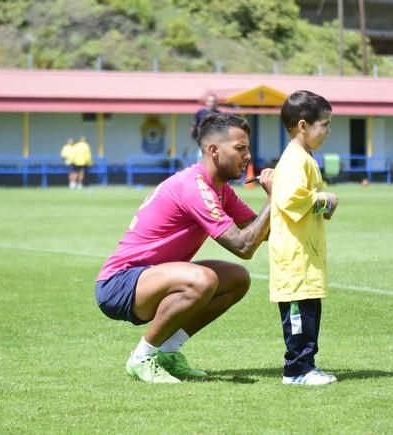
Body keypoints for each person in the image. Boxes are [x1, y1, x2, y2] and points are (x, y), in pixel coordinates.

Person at [95, 112, 274, 384]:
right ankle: (142, 358)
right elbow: (244, 245)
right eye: (240, 148)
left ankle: (167, 352)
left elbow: (260, 232)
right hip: (120, 283)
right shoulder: (194, 187)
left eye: (247, 148)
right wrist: (274, 198)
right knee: (203, 280)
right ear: (213, 150)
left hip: (151, 277)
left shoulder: (220, 190)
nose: (248, 155)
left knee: (237, 279)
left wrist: (301, 203)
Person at [269, 90, 338, 386]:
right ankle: (296, 369)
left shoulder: (304, 157)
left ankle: (307, 365)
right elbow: (290, 198)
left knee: (310, 311)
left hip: (305, 255)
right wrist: (325, 200)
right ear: (302, 126)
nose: (327, 131)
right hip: (294, 257)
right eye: (324, 124)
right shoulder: (295, 160)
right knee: (298, 314)